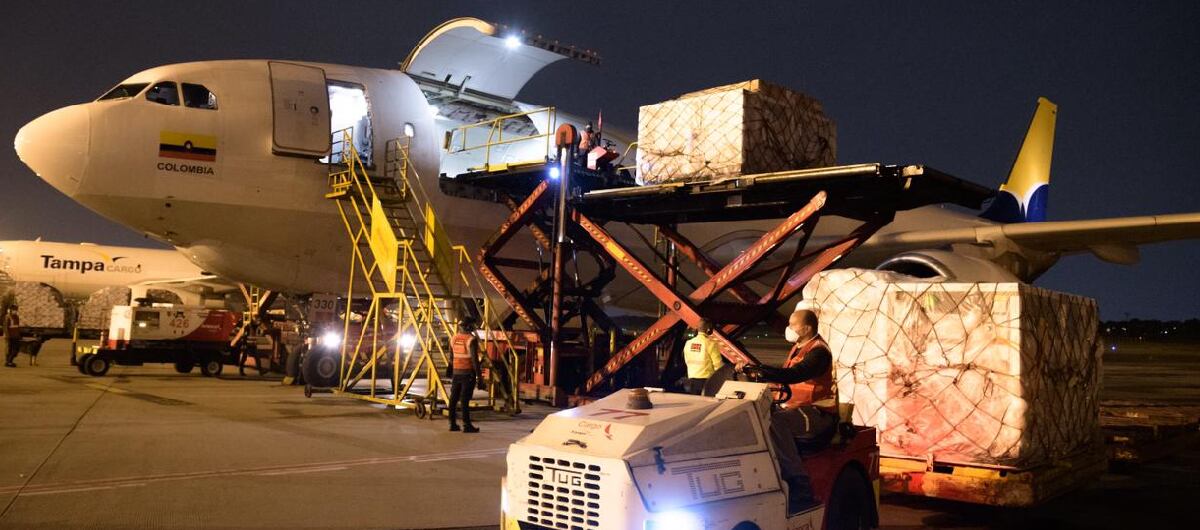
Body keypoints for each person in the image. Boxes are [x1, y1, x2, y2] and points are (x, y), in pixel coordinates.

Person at [736, 309, 837, 514]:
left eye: (793, 325)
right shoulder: (799, 348)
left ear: (807, 328)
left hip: (818, 413)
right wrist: (756, 370)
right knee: (759, 416)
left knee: (776, 422)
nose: (789, 329)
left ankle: (799, 482)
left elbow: (795, 374)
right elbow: (784, 374)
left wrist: (762, 369)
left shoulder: (819, 352)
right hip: (798, 408)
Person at [447, 318, 482, 433]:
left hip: (457, 372)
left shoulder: (454, 338)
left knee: (453, 398)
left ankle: (452, 424)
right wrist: (479, 377)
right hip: (467, 373)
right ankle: (467, 425)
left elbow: (451, 358)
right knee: (464, 399)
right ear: (468, 326)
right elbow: (475, 360)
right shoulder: (471, 340)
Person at [682, 319, 724, 394]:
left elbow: (686, 360)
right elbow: (718, 366)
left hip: (692, 381)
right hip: (707, 382)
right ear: (708, 329)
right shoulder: (711, 344)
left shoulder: (688, 343)